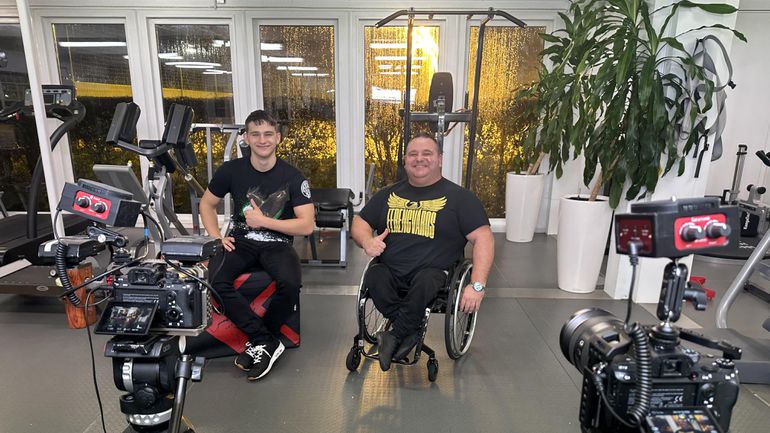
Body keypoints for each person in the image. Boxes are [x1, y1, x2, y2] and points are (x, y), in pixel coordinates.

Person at [351, 132, 494, 371]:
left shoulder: (460, 198)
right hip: (391, 271)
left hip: (434, 274)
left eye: (427, 153)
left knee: (427, 280)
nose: (419, 159)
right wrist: (367, 241)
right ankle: (407, 332)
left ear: (440, 159)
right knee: (374, 275)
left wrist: (477, 285)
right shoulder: (388, 194)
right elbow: (360, 222)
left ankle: (395, 335)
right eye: (413, 154)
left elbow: (484, 238)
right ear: (405, 160)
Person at [200, 110, 314, 381]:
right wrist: (216, 236)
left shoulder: (293, 177)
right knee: (216, 281)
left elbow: (307, 225)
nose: (262, 140)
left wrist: (264, 221)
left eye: (268, 134)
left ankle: (263, 340)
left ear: (278, 138)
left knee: (290, 284)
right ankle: (265, 340)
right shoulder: (231, 171)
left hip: (278, 243)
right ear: (246, 138)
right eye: (256, 134)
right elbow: (207, 204)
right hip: (240, 240)